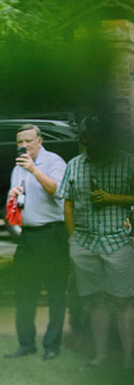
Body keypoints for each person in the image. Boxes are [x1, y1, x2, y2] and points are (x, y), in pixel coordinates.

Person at [57, 116, 134, 370]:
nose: (93, 145)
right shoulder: (74, 165)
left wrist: (112, 198)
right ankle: (100, 357)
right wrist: (73, 239)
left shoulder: (127, 162)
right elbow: (67, 203)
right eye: (88, 140)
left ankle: (128, 361)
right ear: (84, 139)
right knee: (97, 302)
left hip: (119, 242)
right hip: (86, 243)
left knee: (123, 303)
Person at [4, 124, 70, 361]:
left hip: (53, 234)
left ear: (40, 141)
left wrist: (33, 170)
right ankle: (26, 344)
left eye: (28, 141)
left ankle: (52, 345)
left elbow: (59, 191)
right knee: (24, 291)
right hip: (28, 237)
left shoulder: (54, 162)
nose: (23, 145)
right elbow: (16, 208)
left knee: (55, 293)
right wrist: (12, 200)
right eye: (20, 141)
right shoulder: (17, 167)